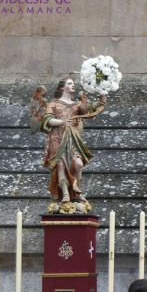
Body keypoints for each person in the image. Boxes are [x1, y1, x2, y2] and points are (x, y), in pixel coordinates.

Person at [31, 77, 105, 208]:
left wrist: (100, 102)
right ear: (62, 87)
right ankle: (65, 193)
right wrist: (62, 122)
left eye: (73, 83)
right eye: (69, 83)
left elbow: (88, 109)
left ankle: (76, 190)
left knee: (78, 164)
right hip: (57, 137)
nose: (73, 85)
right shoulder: (53, 104)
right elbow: (47, 120)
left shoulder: (76, 104)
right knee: (60, 165)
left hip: (73, 138)